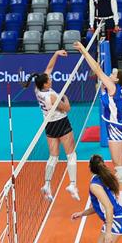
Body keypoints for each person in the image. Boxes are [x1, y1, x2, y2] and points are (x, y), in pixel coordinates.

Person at [73, 39, 122, 198]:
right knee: (119, 164)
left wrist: (83, 50)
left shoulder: (112, 87)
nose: (111, 74)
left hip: (116, 129)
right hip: (116, 127)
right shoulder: (113, 87)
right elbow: (98, 73)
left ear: (116, 80)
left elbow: (97, 69)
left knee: (119, 165)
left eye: (113, 74)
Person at [29, 50, 80, 201]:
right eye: (49, 80)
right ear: (45, 84)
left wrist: (56, 54)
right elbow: (67, 108)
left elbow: (49, 68)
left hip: (49, 125)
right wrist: (65, 98)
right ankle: (72, 184)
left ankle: (47, 184)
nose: (51, 79)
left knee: (53, 156)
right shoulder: (51, 96)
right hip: (61, 123)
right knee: (71, 154)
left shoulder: (38, 89)